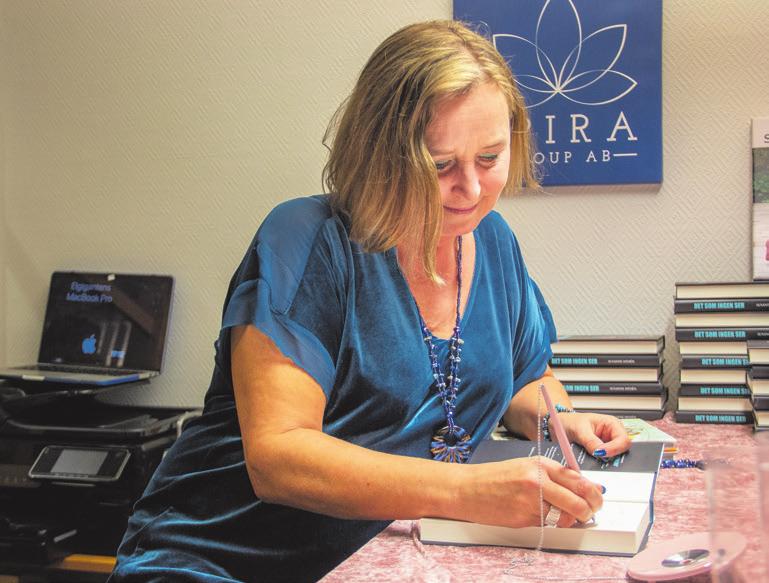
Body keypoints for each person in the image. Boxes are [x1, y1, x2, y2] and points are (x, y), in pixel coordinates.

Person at [109, 19, 631, 583]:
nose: (472, 190)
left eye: (490, 158)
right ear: (381, 152)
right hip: (219, 562)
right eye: (440, 166)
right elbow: (279, 460)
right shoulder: (306, 241)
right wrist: (470, 491)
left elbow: (522, 378)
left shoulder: (495, 242)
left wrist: (562, 422)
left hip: (379, 561)